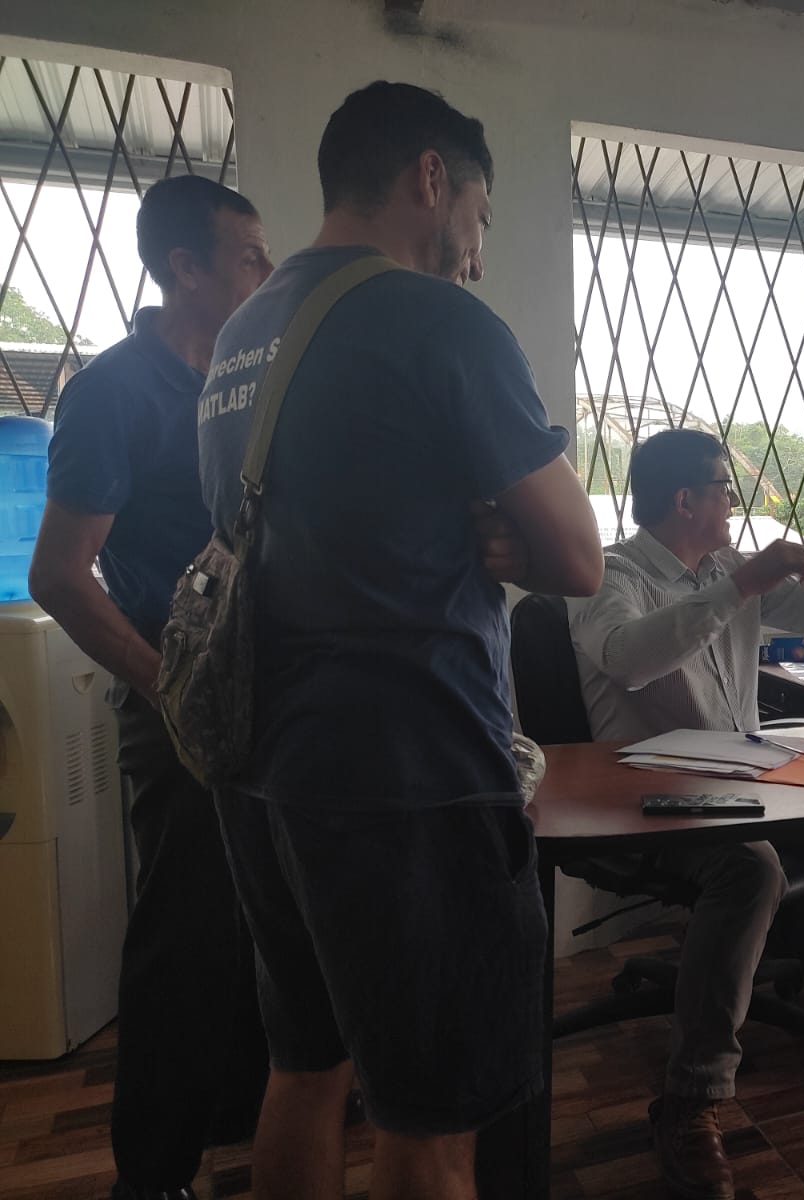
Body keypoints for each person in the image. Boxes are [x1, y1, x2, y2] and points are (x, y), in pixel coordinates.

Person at [194, 82, 602, 1200]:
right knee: (430, 1119)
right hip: (408, 767)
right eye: (481, 215)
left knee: (306, 1065)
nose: (477, 250)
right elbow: (580, 558)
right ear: (431, 177)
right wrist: (515, 540)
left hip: (261, 759)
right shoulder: (438, 321)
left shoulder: (243, 336)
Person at [568, 428, 804, 1200]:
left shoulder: (725, 569)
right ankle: (691, 1100)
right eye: (724, 489)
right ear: (685, 499)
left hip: (745, 777)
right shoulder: (611, 574)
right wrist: (741, 585)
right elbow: (629, 657)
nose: (733, 503)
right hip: (649, 797)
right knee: (750, 869)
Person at [30, 174, 273, 1200]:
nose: (267, 272)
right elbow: (59, 575)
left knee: (265, 923)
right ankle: (153, 1175)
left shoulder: (250, 381)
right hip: (176, 704)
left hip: (268, 695)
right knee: (185, 939)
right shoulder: (114, 392)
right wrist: (168, 684)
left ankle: (245, 1123)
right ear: (185, 268)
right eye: (249, 256)